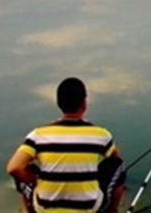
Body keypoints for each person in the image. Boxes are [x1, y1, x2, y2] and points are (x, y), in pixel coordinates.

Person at [7, 77, 126, 213]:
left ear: (58, 103)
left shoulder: (38, 135)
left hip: (44, 208)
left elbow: (13, 168)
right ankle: (112, 211)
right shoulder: (100, 134)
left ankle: (29, 211)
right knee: (118, 165)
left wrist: (34, 180)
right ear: (84, 103)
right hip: (89, 208)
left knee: (25, 169)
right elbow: (115, 157)